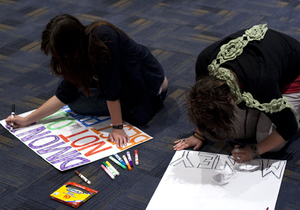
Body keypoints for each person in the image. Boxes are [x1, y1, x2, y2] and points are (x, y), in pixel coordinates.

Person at [5, 14, 168, 148]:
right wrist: (28, 119)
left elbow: (113, 88)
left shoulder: (103, 39)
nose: (60, 58)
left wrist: (117, 128)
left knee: (77, 104)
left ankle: (144, 103)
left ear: (71, 45)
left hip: (146, 84)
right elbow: (65, 92)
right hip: (123, 81)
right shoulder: (77, 52)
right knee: (74, 98)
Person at [174, 24, 300, 162]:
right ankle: (261, 110)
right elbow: (201, 101)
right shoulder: (206, 62)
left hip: (292, 74)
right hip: (261, 74)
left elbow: (289, 127)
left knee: (271, 144)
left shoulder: (262, 80)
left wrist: (254, 151)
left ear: (230, 100)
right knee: (238, 133)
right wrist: (198, 134)